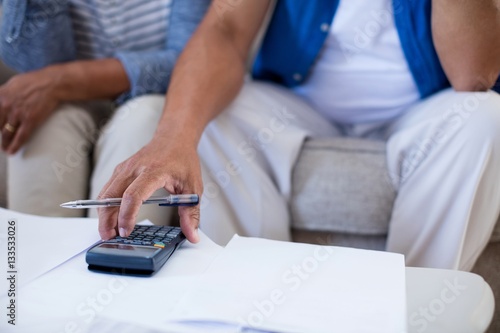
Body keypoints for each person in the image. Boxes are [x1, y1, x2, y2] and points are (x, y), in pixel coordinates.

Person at [97, 0, 500, 270]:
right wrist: (174, 138)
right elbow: (225, 28)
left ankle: (410, 311)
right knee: (214, 113)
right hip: (301, 102)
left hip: (424, 107)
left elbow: (474, 74)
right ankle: (246, 306)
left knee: (485, 116)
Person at [0, 0, 210, 223]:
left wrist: (57, 81)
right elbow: (39, 66)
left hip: (155, 97)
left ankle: (119, 251)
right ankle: (38, 253)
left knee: (142, 121)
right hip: (71, 100)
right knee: (46, 126)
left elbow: (193, 62)